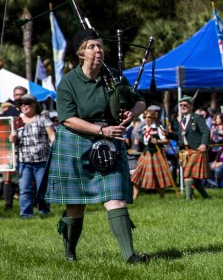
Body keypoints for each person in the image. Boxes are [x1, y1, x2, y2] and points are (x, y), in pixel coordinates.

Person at [41, 28, 149, 263]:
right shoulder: (69, 82)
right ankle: (70, 254)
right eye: (92, 46)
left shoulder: (112, 76)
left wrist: (131, 113)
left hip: (109, 142)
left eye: (99, 45)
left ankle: (130, 255)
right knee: (75, 206)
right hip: (76, 142)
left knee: (115, 198)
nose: (98, 50)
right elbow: (67, 118)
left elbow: (140, 101)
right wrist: (102, 130)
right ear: (81, 54)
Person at [9, 94, 55, 218]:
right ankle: (26, 214)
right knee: (24, 189)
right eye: (21, 104)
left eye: (27, 103)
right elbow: (13, 140)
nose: (24, 105)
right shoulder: (17, 121)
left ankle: (44, 211)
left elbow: (52, 136)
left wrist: (56, 151)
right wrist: (12, 138)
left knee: (42, 188)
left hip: (42, 160)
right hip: (24, 161)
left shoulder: (43, 119)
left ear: (35, 105)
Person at [176, 96, 211, 200]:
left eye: (185, 105)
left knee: (188, 174)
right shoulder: (182, 120)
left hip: (197, 149)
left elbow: (206, 131)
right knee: (194, 178)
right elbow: (180, 136)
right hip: (186, 150)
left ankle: (188, 200)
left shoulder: (197, 117)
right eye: (181, 105)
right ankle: (206, 197)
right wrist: (168, 134)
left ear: (191, 106)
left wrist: (204, 144)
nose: (183, 107)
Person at [131, 110, 172, 200]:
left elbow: (167, 141)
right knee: (137, 175)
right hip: (146, 153)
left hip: (156, 154)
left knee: (159, 176)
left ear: (153, 118)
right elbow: (138, 135)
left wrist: (158, 141)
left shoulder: (158, 127)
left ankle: (162, 198)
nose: (146, 119)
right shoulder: (143, 128)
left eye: (149, 117)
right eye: (145, 117)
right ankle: (135, 197)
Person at [1, 86, 28, 212]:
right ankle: (8, 206)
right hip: (10, 151)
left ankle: (32, 204)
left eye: (21, 94)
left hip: (27, 150)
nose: (19, 97)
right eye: (16, 95)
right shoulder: (8, 113)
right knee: (8, 179)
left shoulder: (31, 111)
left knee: (28, 179)